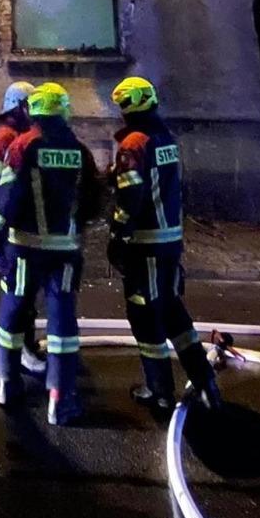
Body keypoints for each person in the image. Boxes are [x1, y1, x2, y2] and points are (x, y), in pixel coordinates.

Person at [106, 76, 224, 415]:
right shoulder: (165, 139)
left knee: (144, 317)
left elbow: (130, 197)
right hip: (171, 244)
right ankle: (206, 382)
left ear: (127, 107)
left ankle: (158, 390)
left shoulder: (133, 144)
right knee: (173, 313)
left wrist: (117, 237)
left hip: (146, 247)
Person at [0, 81, 100, 425]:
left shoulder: (22, 147)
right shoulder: (81, 151)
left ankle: (7, 382)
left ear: (33, 111)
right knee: (62, 321)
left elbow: (7, 198)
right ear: (63, 111)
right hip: (64, 251)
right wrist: (74, 229)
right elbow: (92, 201)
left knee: (14, 309)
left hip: (23, 248)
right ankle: (60, 399)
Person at [0, 81, 45, 377]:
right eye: (29, 106)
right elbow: (0, 190)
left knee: (25, 295)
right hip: (11, 231)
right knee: (17, 296)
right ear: (18, 106)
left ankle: (26, 346)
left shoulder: (17, 136)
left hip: (15, 227)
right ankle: (18, 354)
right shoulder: (5, 138)